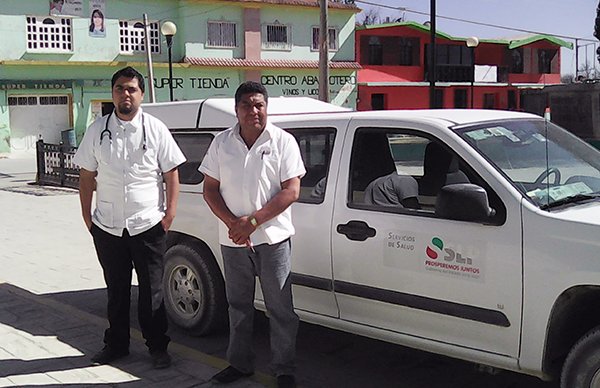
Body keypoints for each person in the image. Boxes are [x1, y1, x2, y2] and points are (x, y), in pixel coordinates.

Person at [73, 66, 186, 370]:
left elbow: (171, 171)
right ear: (113, 93)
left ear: (141, 94)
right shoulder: (98, 130)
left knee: (152, 291)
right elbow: (86, 175)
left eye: (132, 89)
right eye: (120, 88)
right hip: (108, 226)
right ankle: (117, 345)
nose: (126, 94)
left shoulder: (155, 128)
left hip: (148, 224)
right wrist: (87, 216)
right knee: (116, 289)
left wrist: (170, 212)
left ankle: (157, 347)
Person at [200, 81, 305, 388]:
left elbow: (292, 190)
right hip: (233, 241)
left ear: (266, 108)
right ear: (237, 109)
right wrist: (234, 224)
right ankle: (240, 364)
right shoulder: (221, 143)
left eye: (259, 105)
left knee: (281, 308)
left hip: (272, 239)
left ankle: (284, 369)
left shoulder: (283, 142)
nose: (253, 111)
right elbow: (209, 189)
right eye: (246, 105)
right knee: (238, 306)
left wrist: (253, 222)